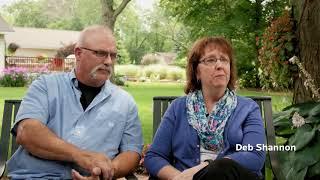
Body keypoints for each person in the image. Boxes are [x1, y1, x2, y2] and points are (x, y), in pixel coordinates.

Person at [7, 25, 143, 180]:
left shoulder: (125, 102)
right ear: (78, 53)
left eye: (113, 55)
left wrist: (106, 172)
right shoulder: (46, 86)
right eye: (101, 53)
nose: (108, 61)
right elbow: (27, 133)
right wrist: (80, 156)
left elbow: (132, 152)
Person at [144, 37, 265, 180]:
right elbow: (154, 156)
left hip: (232, 177)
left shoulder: (248, 108)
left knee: (222, 168)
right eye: (211, 60)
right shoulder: (178, 108)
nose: (219, 65)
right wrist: (180, 178)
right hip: (183, 177)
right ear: (196, 72)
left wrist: (202, 168)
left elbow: (254, 155)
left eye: (224, 60)